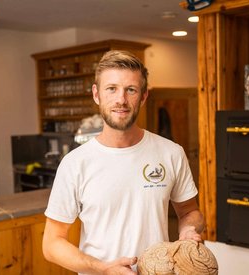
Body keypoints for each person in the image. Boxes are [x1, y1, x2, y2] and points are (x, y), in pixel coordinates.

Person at [43, 50, 205, 275]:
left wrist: (189, 231)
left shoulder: (171, 153)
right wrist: (103, 268)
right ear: (96, 94)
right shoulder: (75, 163)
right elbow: (52, 244)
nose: (121, 99)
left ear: (144, 96)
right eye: (111, 89)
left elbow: (189, 212)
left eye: (131, 90)